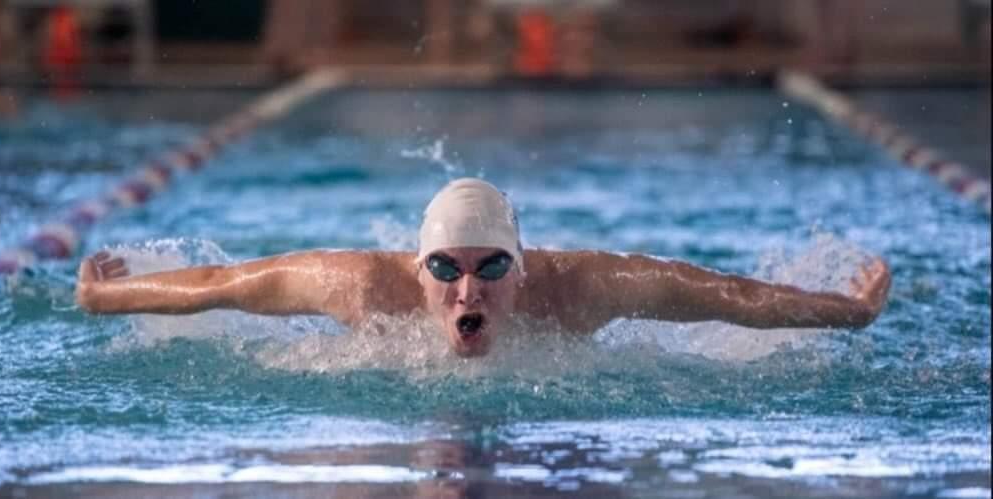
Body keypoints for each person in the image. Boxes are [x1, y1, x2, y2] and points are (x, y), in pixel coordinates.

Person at [76, 178, 891, 358]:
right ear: (417, 269)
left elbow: (722, 295)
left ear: (524, 269)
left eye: (492, 266)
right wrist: (107, 297)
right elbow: (224, 285)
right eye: (447, 268)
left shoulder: (582, 288)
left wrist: (844, 311)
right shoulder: (363, 287)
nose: (468, 290)